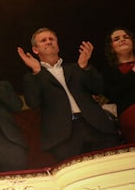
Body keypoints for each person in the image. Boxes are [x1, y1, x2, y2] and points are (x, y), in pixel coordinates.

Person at [17, 28, 121, 162]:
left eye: (51, 39)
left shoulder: (76, 67)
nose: (48, 42)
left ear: (57, 45)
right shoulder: (32, 77)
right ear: (35, 50)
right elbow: (33, 102)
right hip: (63, 136)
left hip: (96, 127)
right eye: (43, 40)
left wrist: (84, 66)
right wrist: (37, 71)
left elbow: (98, 88)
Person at [103, 27, 135, 144]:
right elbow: (113, 94)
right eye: (117, 39)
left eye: (126, 37)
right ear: (111, 48)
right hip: (131, 118)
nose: (122, 40)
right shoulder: (108, 72)